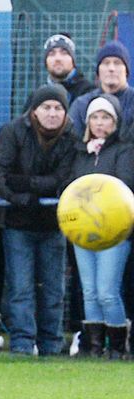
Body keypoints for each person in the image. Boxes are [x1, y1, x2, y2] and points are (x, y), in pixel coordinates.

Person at [0, 85, 76, 356]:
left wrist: (24, 184)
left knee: (54, 290)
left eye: (58, 108)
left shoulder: (71, 138)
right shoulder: (12, 132)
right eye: (46, 107)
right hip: (18, 224)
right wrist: (16, 197)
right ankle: (23, 345)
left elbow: (64, 179)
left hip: (54, 224)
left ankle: (51, 345)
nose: (52, 113)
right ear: (34, 110)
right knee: (20, 288)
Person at [65, 94, 134, 360]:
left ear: (115, 122)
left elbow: (124, 183)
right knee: (90, 292)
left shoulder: (124, 150)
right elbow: (70, 185)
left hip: (115, 232)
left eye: (106, 117)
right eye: (95, 117)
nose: (100, 122)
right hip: (83, 232)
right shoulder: (80, 152)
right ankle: (94, 348)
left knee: (107, 291)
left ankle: (117, 348)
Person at [69, 40, 134, 142]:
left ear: (126, 70)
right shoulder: (81, 105)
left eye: (117, 63)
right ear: (98, 71)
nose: (111, 68)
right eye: (106, 63)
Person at [22, 33, 95, 111]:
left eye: (64, 53)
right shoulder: (36, 97)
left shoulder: (88, 92)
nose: (58, 58)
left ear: (73, 60)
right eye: (52, 54)